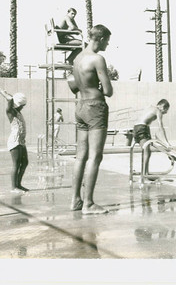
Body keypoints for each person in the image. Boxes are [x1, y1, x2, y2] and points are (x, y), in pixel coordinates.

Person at [68, 24, 113, 215]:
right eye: (107, 40)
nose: (108, 44)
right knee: (95, 156)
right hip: (95, 106)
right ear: (100, 38)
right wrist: (101, 87)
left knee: (81, 156)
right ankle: (88, 203)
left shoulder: (77, 58)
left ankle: (75, 200)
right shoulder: (97, 59)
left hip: (80, 106)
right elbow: (109, 91)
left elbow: (73, 86)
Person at [0, 89, 29, 193]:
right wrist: (5, 94)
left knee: (25, 162)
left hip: (21, 141)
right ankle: (14, 187)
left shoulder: (18, 112)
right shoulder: (10, 112)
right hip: (14, 141)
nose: (22, 107)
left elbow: (12, 99)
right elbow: (10, 100)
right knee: (16, 164)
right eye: (21, 105)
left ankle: (19, 185)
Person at [133, 99, 172, 177]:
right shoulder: (158, 111)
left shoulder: (150, 107)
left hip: (137, 128)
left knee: (147, 151)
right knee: (146, 152)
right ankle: (144, 175)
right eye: (166, 110)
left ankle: (145, 173)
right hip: (142, 128)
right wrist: (166, 142)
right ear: (162, 106)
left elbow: (145, 121)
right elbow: (161, 127)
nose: (165, 112)